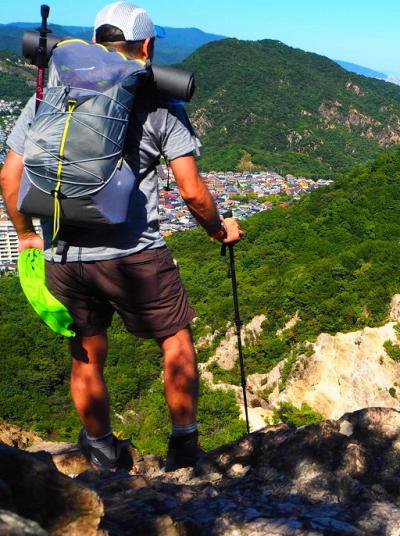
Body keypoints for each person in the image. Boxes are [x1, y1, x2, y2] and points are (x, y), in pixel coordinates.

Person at [0, 2, 243, 473]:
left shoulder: (48, 98)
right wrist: (218, 230)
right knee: (175, 342)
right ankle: (184, 448)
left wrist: (28, 236)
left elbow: (10, 179)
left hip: (64, 255)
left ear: (93, 44)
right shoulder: (159, 104)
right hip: (136, 256)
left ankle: (100, 449)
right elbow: (192, 192)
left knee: (87, 352)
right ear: (147, 46)